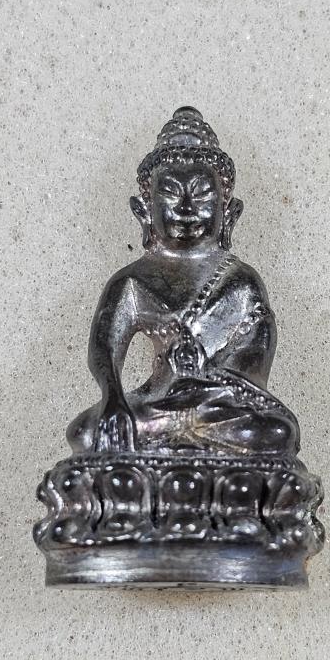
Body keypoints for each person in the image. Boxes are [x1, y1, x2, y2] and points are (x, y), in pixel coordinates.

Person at [66, 107, 300, 457]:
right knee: (87, 432)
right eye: (171, 194)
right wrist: (114, 400)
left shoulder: (241, 283)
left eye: (202, 194)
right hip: (156, 404)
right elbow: (103, 351)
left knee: (276, 432)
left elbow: (253, 371)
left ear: (228, 212)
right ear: (145, 211)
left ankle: (173, 438)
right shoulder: (131, 282)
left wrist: (199, 379)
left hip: (218, 409)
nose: (187, 208)